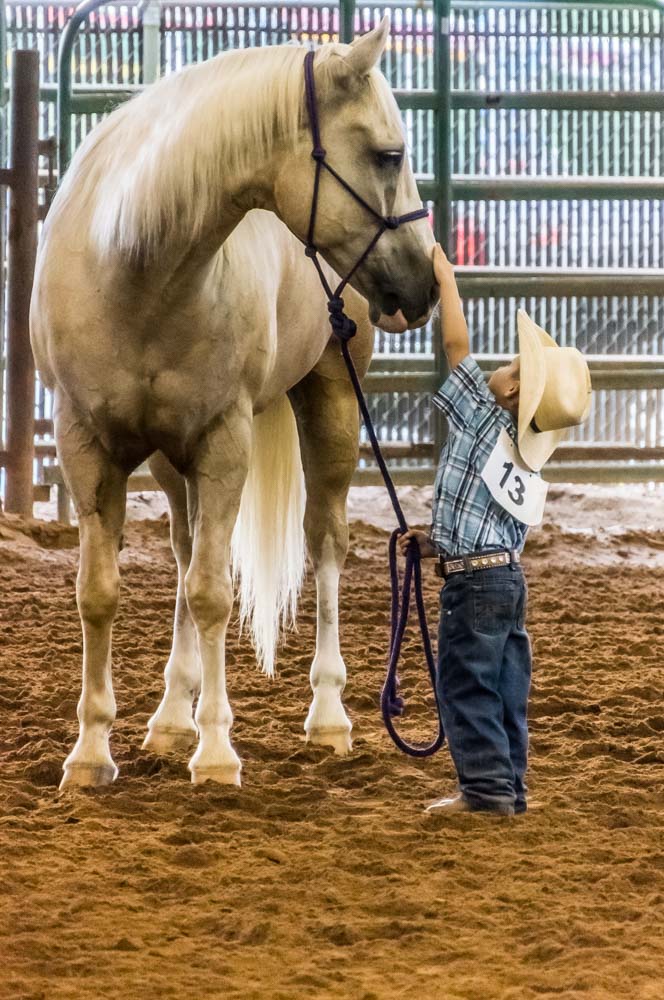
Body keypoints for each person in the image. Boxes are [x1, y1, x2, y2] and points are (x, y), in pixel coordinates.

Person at [398, 244, 592, 816]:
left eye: (508, 366)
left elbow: (455, 346)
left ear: (509, 392)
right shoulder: (523, 458)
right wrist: (435, 539)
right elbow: (489, 523)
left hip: (473, 587)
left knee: (465, 683)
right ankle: (509, 785)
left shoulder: (482, 415)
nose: (497, 368)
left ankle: (484, 792)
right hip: (505, 581)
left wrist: (446, 278)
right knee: (506, 687)